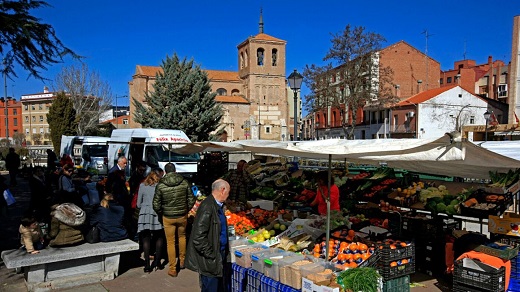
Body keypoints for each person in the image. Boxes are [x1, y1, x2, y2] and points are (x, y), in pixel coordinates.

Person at [185, 179, 231, 292]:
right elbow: (198, 237)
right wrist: (211, 254)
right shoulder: (208, 207)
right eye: (228, 192)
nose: (229, 195)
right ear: (222, 190)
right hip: (211, 261)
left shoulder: (216, 206)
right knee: (210, 288)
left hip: (217, 258)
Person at [153, 163, 194, 277]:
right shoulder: (184, 182)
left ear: (165, 172)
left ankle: (172, 268)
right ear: (175, 170)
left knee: (170, 242)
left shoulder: (161, 185)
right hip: (182, 215)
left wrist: (162, 213)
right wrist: (186, 209)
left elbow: (156, 204)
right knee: (182, 237)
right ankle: (182, 260)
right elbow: (191, 198)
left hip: (168, 217)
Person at [137, 168, 165, 273]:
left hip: (145, 213)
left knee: (146, 239)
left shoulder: (142, 186)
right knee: (159, 237)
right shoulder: (160, 187)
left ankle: (147, 264)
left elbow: (138, 204)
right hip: (156, 213)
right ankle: (157, 262)